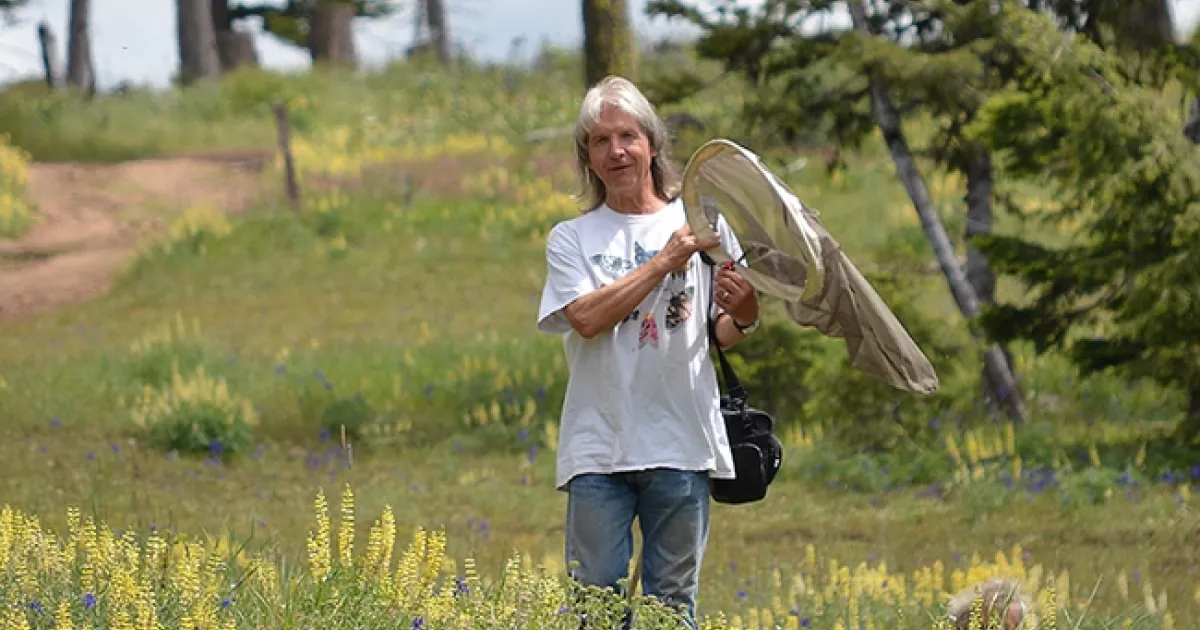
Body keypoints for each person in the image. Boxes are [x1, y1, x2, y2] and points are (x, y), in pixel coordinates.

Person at [535, 75, 761, 628]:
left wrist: (746, 310)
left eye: (627, 137)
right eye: (600, 141)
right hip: (599, 447)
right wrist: (662, 263)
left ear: (652, 145)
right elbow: (586, 318)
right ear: (588, 158)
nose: (616, 151)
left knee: (672, 607)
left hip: (682, 439)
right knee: (595, 607)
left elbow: (721, 330)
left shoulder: (702, 223)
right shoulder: (572, 238)